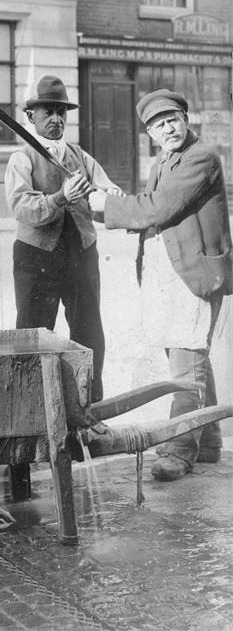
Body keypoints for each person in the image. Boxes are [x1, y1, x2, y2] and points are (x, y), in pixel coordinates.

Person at [90, 88, 233, 480]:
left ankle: (179, 450)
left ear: (186, 120)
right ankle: (209, 442)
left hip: (195, 272)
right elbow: (155, 208)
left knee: (187, 358)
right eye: (157, 124)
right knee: (190, 352)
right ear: (150, 133)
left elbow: (158, 208)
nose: (167, 128)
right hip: (174, 272)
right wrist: (112, 205)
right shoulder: (163, 162)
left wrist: (106, 206)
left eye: (172, 119)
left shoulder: (200, 157)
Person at [5, 74, 122, 403]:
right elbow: (22, 208)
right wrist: (59, 197)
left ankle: (89, 410)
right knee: (34, 337)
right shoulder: (22, 158)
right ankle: (32, 417)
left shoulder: (79, 155)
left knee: (89, 335)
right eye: (48, 113)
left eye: (61, 113)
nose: (56, 119)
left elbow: (103, 193)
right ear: (31, 117)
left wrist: (110, 196)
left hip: (81, 254)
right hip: (36, 258)